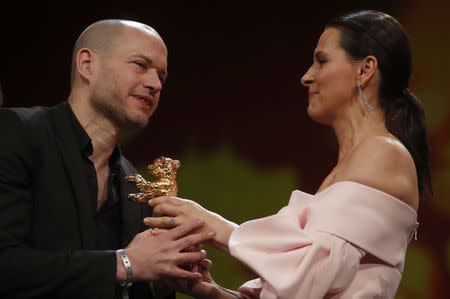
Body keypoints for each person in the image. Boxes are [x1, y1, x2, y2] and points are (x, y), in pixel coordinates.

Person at [145, 10, 432, 298]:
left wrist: (214, 227)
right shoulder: (357, 162)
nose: (307, 77)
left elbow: (313, 268)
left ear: (365, 69)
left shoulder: (384, 152)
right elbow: (310, 286)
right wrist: (214, 292)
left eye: (321, 61)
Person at [0, 19, 215, 299]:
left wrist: (158, 286)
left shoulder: (137, 191)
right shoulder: (15, 132)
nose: (154, 84)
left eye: (161, 77)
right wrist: (126, 263)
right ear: (87, 64)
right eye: (140, 64)